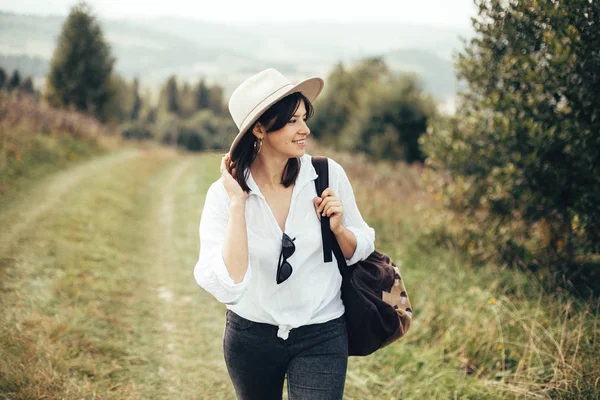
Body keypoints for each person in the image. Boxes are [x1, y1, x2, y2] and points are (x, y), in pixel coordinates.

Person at [193, 68, 375, 400]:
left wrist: (339, 230)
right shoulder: (223, 195)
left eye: (304, 118)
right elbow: (230, 286)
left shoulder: (327, 174)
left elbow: (362, 245)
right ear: (260, 128)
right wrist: (238, 203)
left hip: (322, 332)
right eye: (292, 121)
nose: (305, 129)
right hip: (250, 335)